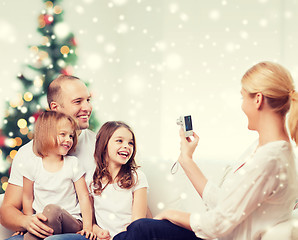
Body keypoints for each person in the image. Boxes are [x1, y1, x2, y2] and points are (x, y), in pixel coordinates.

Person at [113, 61, 298, 240]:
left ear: (258, 99)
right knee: (132, 232)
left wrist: (172, 214)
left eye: (243, 97)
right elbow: (225, 204)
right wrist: (186, 159)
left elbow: (218, 223)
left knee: (142, 228)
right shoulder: (264, 149)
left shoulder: (270, 159)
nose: (242, 105)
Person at [0, 75, 96, 239]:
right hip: (41, 229)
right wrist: (26, 221)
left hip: (77, 230)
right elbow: (7, 211)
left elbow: (130, 190)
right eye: (78, 101)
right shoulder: (27, 154)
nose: (87, 107)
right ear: (55, 107)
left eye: (88, 100)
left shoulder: (101, 146)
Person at [19, 111, 92, 239]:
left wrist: (87, 227)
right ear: (45, 135)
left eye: (71, 136)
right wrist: (28, 224)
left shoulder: (73, 164)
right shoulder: (32, 165)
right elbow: (27, 198)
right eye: (63, 134)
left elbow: (84, 197)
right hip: (44, 221)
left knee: (52, 210)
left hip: (71, 222)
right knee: (42, 221)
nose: (68, 139)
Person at [89, 121, 148, 239]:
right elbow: (90, 221)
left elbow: (138, 224)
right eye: (119, 141)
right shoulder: (92, 180)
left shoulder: (137, 177)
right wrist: (97, 230)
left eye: (130, 143)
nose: (127, 146)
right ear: (104, 144)